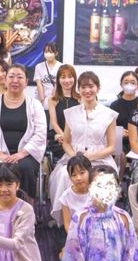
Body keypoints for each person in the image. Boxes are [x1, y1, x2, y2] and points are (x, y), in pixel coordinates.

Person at [48, 71, 118, 226]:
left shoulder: (109, 115)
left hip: (99, 158)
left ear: (98, 88)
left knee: (101, 178)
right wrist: (75, 157)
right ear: (78, 89)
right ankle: (67, 222)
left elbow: (112, 146)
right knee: (63, 175)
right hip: (74, 157)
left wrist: (90, 157)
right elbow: (66, 142)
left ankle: (99, 220)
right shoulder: (71, 113)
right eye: (83, 87)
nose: (87, 90)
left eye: (91, 86)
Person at [0, 63, 47, 199]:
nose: (15, 80)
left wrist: (21, 153)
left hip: (26, 155)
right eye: (11, 77)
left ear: (26, 82)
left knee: (25, 167)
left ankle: (26, 206)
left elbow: (40, 134)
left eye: (20, 77)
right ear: (5, 80)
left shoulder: (35, 105)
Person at [47, 64, 80, 159]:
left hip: (78, 139)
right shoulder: (52, 100)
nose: (67, 80)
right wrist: (64, 137)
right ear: (58, 80)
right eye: (63, 77)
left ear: (74, 79)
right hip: (59, 138)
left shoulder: (80, 98)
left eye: (70, 76)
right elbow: (54, 123)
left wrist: (72, 139)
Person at [110, 71, 138, 158]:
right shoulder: (114, 105)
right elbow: (110, 128)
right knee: (120, 154)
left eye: (133, 83)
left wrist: (133, 132)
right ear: (121, 85)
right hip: (120, 142)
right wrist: (119, 132)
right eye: (126, 82)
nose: (129, 85)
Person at [34, 42, 62, 112]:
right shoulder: (39, 66)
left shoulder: (61, 66)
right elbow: (39, 83)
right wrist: (42, 99)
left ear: (56, 53)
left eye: (51, 52)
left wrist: (53, 98)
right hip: (41, 99)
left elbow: (58, 84)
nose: (48, 54)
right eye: (46, 52)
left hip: (56, 98)